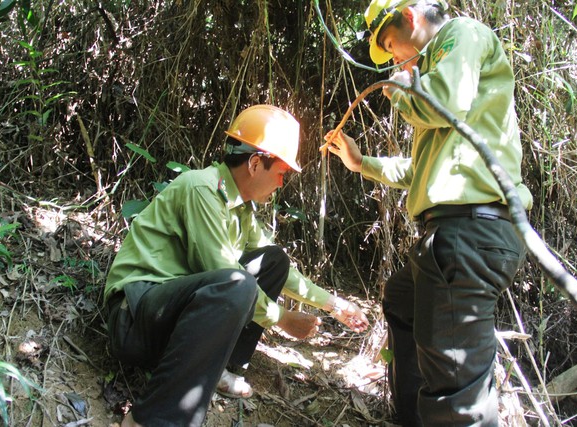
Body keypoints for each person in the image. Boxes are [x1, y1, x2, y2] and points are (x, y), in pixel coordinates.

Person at [324, 1, 533, 425]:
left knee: (459, 398)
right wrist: (362, 162)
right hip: (458, 233)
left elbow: (445, 101)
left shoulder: (461, 34)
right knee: (403, 299)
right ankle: (415, 417)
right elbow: (422, 171)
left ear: (411, 18)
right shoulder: (443, 74)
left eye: (390, 45)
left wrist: (401, 86)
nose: (396, 58)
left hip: (470, 232)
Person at [104, 104, 369, 427]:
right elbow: (224, 275)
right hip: (134, 318)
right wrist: (282, 318)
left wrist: (333, 304)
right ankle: (151, 420)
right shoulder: (202, 189)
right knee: (237, 284)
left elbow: (282, 273)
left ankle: (222, 368)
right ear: (256, 164)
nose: (281, 183)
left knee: (274, 261)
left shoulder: (240, 209)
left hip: (168, 320)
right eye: (281, 173)